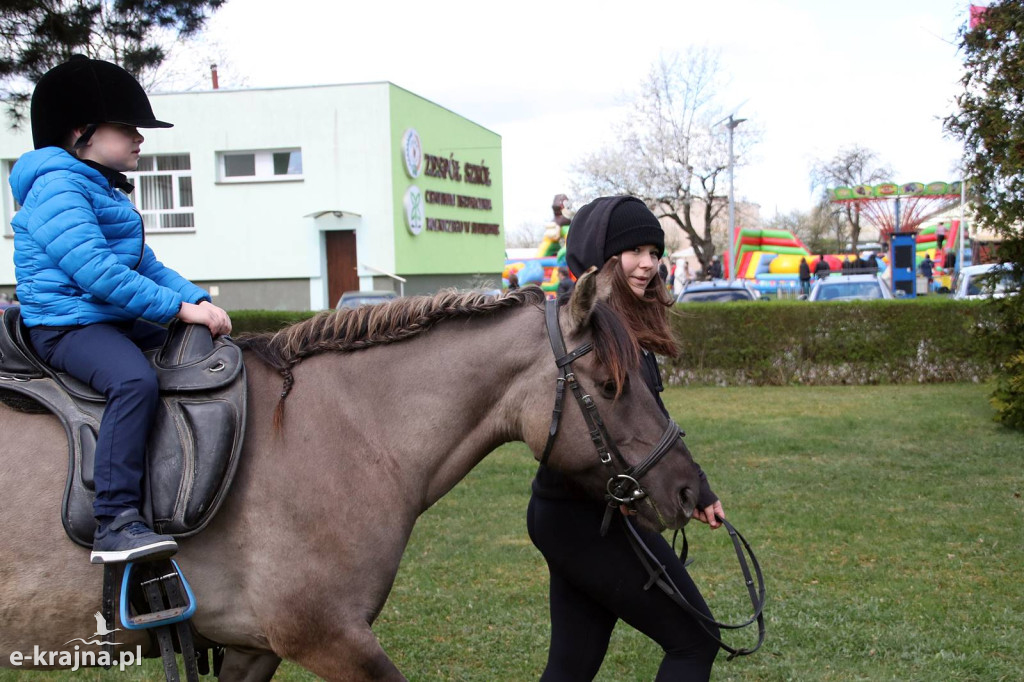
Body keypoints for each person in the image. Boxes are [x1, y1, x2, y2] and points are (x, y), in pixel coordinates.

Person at [9, 56, 232, 564]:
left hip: (105, 318)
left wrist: (197, 300)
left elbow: (145, 265)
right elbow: (97, 273)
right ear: (80, 132)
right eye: (127, 127)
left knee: (201, 355)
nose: (139, 138)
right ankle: (115, 520)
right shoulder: (58, 188)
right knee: (133, 381)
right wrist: (177, 309)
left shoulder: (98, 186)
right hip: (67, 326)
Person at [527, 196, 724, 681]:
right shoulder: (588, 328)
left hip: (578, 513)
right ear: (603, 255)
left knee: (570, 667)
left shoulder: (622, 323)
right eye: (635, 251)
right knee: (694, 641)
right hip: (585, 517)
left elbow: (649, 422)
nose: (649, 264)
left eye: (654, 252)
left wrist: (698, 486)